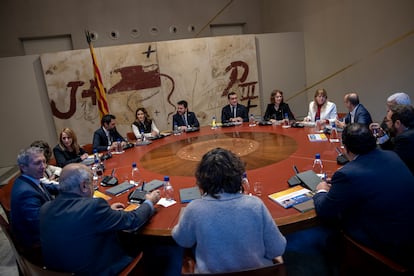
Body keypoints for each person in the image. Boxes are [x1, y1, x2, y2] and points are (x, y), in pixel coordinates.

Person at [313, 123, 414, 269]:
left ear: (346, 148)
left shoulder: (348, 174)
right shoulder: (391, 155)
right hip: (408, 234)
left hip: (388, 246)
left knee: (329, 229)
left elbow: (325, 210)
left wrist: (322, 190)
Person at [172, 148, 286, 273]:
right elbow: (277, 249)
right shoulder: (255, 205)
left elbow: (183, 240)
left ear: (201, 181)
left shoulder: (194, 209)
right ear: (239, 177)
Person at [40, 163, 161, 275]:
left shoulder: (45, 208)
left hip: (58, 272)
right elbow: (133, 220)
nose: (93, 187)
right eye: (92, 183)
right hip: (100, 271)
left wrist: (108, 213)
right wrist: (149, 202)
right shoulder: (93, 207)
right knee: (157, 249)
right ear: (83, 186)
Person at [10, 147, 58, 262]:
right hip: (39, 246)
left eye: (44, 161)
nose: (43, 166)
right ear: (23, 167)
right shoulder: (25, 193)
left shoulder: (30, 179)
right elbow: (41, 227)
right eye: (37, 163)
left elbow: (48, 187)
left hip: (46, 227)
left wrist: (73, 185)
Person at [376, 104, 414, 174]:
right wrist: (382, 136)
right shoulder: (408, 133)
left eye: (387, 120)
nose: (386, 124)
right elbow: (392, 150)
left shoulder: (405, 139)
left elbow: (393, 162)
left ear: (398, 123)